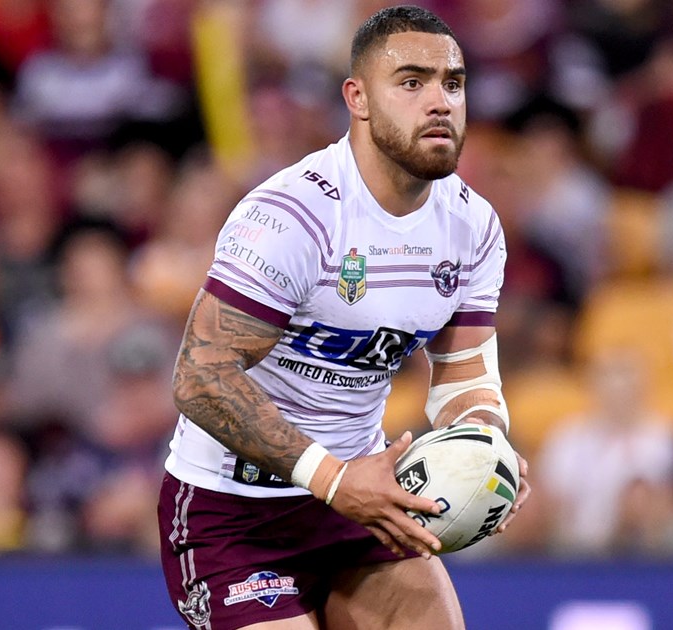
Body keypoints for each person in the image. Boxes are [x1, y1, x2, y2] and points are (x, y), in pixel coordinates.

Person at [158, 7, 528, 630]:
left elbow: (464, 375)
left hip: (363, 499)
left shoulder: (472, 226)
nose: (439, 102)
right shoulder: (293, 216)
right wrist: (331, 479)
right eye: (411, 82)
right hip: (234, 513)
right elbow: (201, 377)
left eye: (453, 83)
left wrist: (484, 449)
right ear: (357, 99)